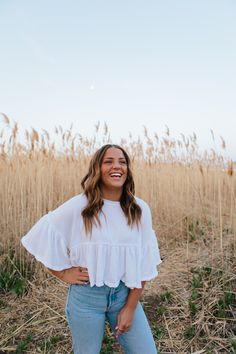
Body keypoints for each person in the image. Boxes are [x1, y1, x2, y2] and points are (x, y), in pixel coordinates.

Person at [21, 143, 162, 354]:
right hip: (86, 299)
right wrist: (61, 272)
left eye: (122, 162)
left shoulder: (139, 209)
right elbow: (41, 233)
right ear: (97, 168)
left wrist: (130, 307)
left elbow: (144, 262)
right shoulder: (80, 206)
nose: (117, 166)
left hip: (124, 295)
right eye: (109, 161)